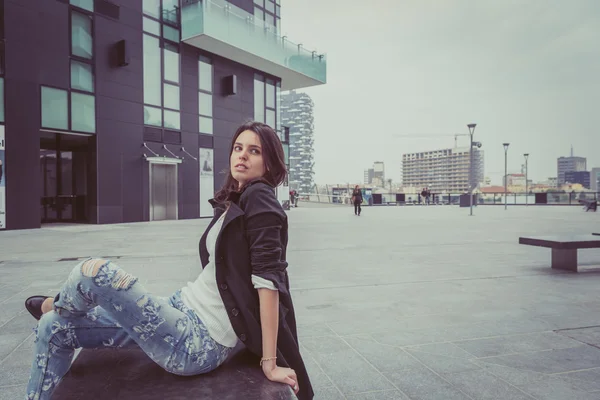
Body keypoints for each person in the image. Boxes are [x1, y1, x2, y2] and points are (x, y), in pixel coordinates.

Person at [23, 121, 312, 400]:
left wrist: (270, 362)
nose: (243, 156)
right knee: (53, 328)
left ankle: (60, 304)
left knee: (94, 273)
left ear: (270, 163)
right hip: (178, 310)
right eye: (238, 148)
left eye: (255, 151)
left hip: (197, 341)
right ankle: (59, 314)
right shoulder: (240, 198)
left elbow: (268, 282)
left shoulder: (260, 199)